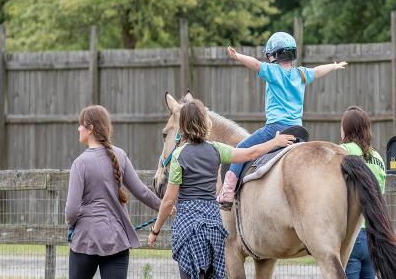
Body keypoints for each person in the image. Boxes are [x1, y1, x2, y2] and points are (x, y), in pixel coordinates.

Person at [147, 99, 295, 279]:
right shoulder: (217, 150)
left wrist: (155, 230)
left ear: (182, 127)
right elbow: (250, 152)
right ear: (206, 123)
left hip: (188, 229)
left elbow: (169, 200)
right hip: (213, 228)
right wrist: (275, 141)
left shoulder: (179, 156)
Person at [217, 31, 348, 211]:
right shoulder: (301, 74)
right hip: (298, 132)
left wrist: (237, 55)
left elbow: (255, 64)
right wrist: (333, 66)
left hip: (275, 129)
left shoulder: (272, 71)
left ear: (274, 55)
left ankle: (228, 192)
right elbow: (317, 71)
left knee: (240, 149)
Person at [65, 105, 163, 279]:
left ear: (90, 129)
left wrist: (71, 225)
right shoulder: (120, 155)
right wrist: (163, 207)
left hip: (85, 240)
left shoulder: (79, 164)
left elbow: (71, 210)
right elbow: (141, 191)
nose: (78, 128)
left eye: (81, 124)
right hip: (116, 240)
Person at [341, 106, 386, 279]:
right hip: (373, 236)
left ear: (347, 128)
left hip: (352, 233)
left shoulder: (343, 151)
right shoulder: (378, 157)